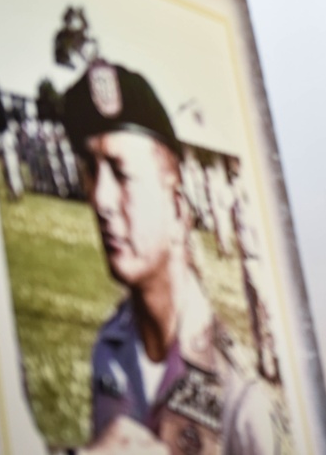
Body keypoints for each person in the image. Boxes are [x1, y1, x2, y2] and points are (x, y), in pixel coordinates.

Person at [61, 61, 277, 455]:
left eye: (121, 173)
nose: (100, 200)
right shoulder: (110, 348)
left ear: (178, 209)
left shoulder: (241, 400)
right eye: (92, 170)